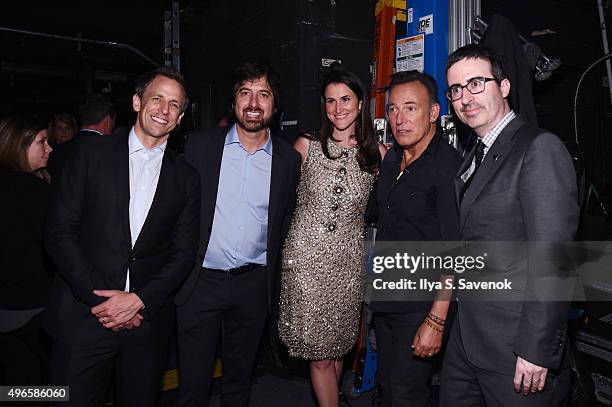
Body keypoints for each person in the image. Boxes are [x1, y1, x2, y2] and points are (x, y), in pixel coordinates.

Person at [44, 66, 200, 407]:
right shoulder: (88, 154)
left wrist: (139, 299)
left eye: (174, 105)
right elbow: (59, 232)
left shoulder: (187, 178)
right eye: (156, 98)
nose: (163, 109)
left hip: (145, 324)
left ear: (181, 116)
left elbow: (184, 252)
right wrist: (101, 301)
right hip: (83, 318)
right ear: (136, 102)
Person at [439, 44, 579, 406]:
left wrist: (536, 350)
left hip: (515, 348)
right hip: (468, 338)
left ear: (503, 87)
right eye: (455, 89)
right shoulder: (477, 152)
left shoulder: (538, 148)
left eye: (476, 84)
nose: (464, 97)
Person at [175, 61, 301, 407]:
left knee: (239, 381)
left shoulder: (288, 160)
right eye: (245, 93)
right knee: (193, 383)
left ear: (275, 106)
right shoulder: (199, 146)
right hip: (199, 282)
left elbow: (285, 219)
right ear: (233, 102)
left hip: (252, 285)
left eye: (264, 94)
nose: (253, 102)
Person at [278, 64, 385, 407]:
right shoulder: (306, 146)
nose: (338, 109)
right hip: (306, 262)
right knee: (321, 357)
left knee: (338, 348)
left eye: (345, 99)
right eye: (330, 101)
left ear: (360, 103)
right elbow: (276, 200)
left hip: (348, 266)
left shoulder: (377, 154)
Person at [367, 70, 461, 406]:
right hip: (387, 298)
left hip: (422, 305)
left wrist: (436, 319)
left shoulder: (448, 167)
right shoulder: (393, 157)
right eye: (393, 109)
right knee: (388, 387)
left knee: (408, 394)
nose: (399, 119)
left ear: (434, 112)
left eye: (411, 108)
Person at [0, 116, 53, 386]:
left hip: (6, 308)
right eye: (42, 141)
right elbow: (54, 248)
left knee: (13, 383)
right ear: (19, 145)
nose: (50, 148)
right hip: (31, 308)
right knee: (47, 384)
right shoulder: (34, 190)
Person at [46, 93, 116, 180]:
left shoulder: (57, 153)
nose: (64, 132)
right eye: (59, 128)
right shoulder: (113, 152)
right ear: (108, 122)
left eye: (68, 128)